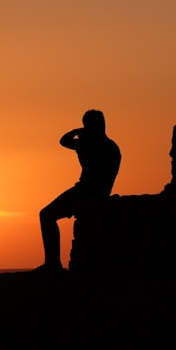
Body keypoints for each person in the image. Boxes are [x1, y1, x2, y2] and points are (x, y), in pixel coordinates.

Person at [38, 110, 121, 272]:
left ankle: (52, 264)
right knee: (47, 215)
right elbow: (64, 142)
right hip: (98, 192)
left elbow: (64, 141)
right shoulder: (111, 147)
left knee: (46, 214)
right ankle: (52, 263)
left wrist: (77, 132)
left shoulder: (91, 145)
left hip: (86, 192)